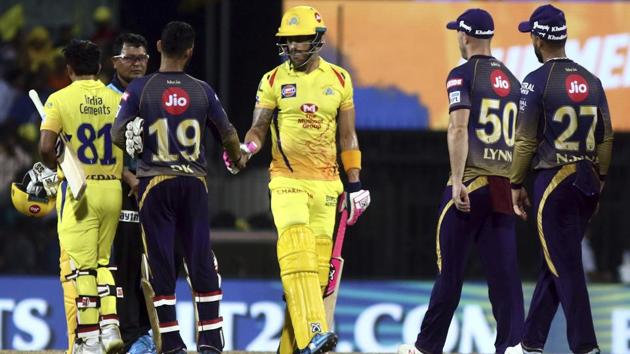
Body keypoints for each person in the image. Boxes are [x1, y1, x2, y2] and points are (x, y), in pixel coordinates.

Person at [241, 6, 370, 354]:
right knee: (296, 251)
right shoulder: (272, 79)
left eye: (299, 40)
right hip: (287, 181)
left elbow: (348, 137)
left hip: (328, 187)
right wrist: (248, 147)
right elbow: (257, 128)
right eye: (288, 41)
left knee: (311, 278)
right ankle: (315, 332)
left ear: (317, 40)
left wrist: (355, 184)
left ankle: (292, 348)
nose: (293, 47)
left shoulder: (340, 79)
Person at [111, 21, 244, 354]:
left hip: (154, 184)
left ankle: (171, 342)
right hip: (193, 183)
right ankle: (211, 340)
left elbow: (116, 134)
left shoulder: (141, 89)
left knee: (160, 264)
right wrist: (236, 157)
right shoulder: (203, 90)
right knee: (201, 260)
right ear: (190, 51)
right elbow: (227, 134)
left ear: (158, 47)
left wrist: (135, 138)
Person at [398, 9, 524, 354]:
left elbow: (457, 127)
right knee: (504, 276)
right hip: (502, 185)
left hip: (470, 185)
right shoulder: (512, 79)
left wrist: (457, 181)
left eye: (458, 33)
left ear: (465, 37)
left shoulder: (461, 74)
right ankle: (514, 346)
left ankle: (427, 347)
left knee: (450, 272)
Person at [510, 5, 614, 354]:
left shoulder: (535, 81)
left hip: (553, 182)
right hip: (585, 179)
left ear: (538, 38)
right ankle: (530, 344)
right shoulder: (592, 79)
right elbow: (606, 137)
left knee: (565, 265)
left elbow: (524, 140)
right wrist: (598, 181)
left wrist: (514, 184)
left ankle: (586, 347)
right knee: (556, 260)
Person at [38, 39, 124, 354]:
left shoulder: (59, 99)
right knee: (103, 261)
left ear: (69, 69)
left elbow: (47, 148)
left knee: (81, 267)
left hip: (78, 190)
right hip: (112, 186)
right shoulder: (117, 100)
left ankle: (88, 338)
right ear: (99, 68)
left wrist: (57, 161)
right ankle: (111, 324)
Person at [108, 33, 156, 354]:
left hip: (152, 189)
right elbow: (102, 149)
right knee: (123, 264)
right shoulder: (107, 97)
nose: (137, 64)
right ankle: (130, 335)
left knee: (150, 265)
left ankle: (148, 333)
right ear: (115, 61)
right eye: (130, 58)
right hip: (119, 191)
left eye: (141, 58)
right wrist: (128, 176)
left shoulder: (152, 95)